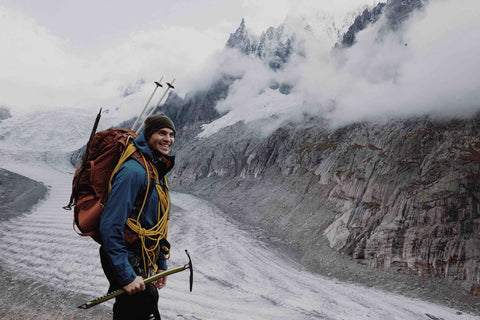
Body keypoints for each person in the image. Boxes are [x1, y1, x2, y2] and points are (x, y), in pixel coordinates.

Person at [99, 114, 176, 320]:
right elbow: (110, 224)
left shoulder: (155, 169)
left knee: (137, 310)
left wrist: (161, 262)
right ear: (149, 134)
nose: (168, 139)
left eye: (171, 134)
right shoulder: (133, 171)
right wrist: (125, 275)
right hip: (125, 255)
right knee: (143, 306)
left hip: (141, 256)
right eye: (162, 133)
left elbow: (155, 223)